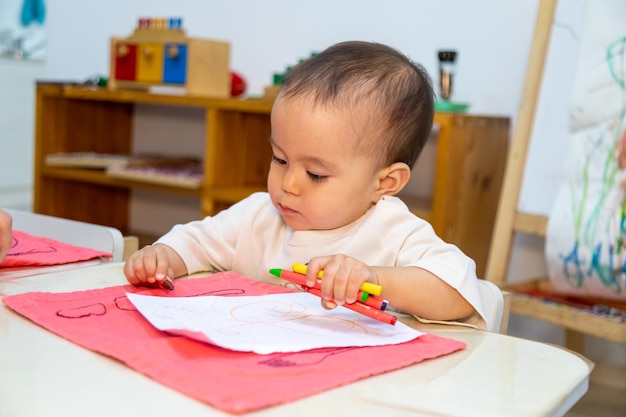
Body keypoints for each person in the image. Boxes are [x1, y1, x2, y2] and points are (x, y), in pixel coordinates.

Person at [124, 41, 487, 328]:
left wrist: (373, 277)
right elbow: (195, 242)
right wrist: (162, 258)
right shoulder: (258, 215)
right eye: (280, 159)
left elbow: (460, 293)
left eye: (315, 174)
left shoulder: (393, 231)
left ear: (385, 183)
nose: (289, 184)